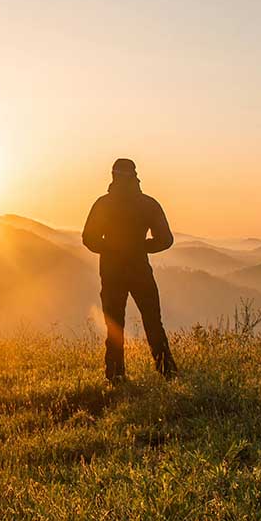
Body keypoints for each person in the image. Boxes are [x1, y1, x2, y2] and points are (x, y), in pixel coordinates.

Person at [82, 158, 177, 381]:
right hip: (140, 270)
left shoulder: (103, 204)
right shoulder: (148, 204)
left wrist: (111, 248)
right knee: (153, 322)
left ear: (113, 176)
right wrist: (140, 246)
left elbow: (89, 239)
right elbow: (166, 240)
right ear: (135, 176)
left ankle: (115, 375)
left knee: (114, 325)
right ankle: (168, 373)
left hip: (111, 271)